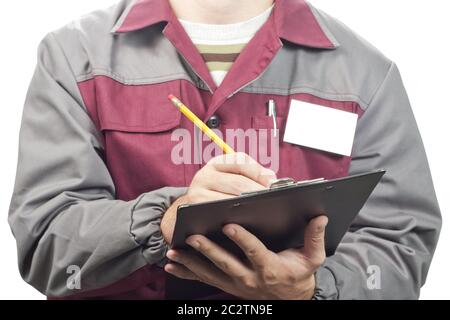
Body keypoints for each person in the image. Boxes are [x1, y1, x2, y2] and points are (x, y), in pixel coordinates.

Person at [8, 0, 441, 300]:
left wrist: (311, 290)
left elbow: (400, 244)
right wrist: (166, 218)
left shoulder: (365, 74)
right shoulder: (73, 57)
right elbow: (46, 243)